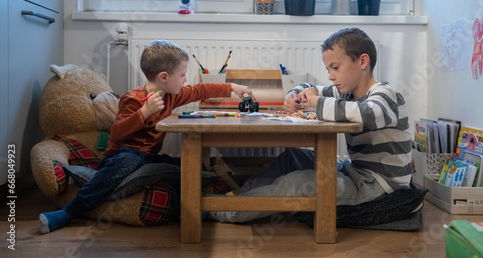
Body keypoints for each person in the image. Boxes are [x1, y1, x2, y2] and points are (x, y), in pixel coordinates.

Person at [39, 40, 255, 233]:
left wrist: (233, 87)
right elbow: (117, 131)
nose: (185, 79)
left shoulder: (172, 95)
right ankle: (69, 212)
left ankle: (183, 208)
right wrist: (144, 112)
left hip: (148, 157)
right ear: (164, 77)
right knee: (124, 164)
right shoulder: (133, 99)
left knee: (189, 166)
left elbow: (200, 90)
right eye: (182, 75)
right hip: (124, 153)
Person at [211, 27, 412, 223]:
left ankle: (221, 211)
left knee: (299, 183)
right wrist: (294, 94)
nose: (330, 76)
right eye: (328, 70)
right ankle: (236, 196)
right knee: (292, 156)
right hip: (356, 171)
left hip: (379, 185)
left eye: (335, 67)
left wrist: (316, 101)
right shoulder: (346, 93)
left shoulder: (385, 93)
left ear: (362, 61)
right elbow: (311, 87)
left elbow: (369, 114)